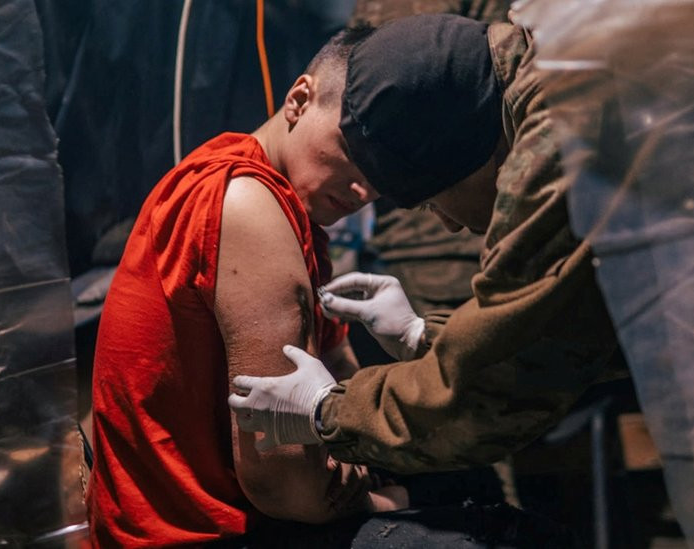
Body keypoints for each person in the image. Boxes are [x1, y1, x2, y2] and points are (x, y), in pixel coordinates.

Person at [229, 14, 625, 473]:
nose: (452, 226)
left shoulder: (558, 132)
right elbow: (563, 336)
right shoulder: (558, 66)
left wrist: (326, 410)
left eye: (432, 202)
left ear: (464, 158)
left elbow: (492, 393)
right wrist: (426, 337)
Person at [85, 27, 409, 547]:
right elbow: (282, 483)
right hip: (200, 534)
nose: (364, 188)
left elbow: (339, 367)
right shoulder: (249, 204)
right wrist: (388, 499)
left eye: (382, 173)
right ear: (299, 99)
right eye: (353, 149)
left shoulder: (281, 199)